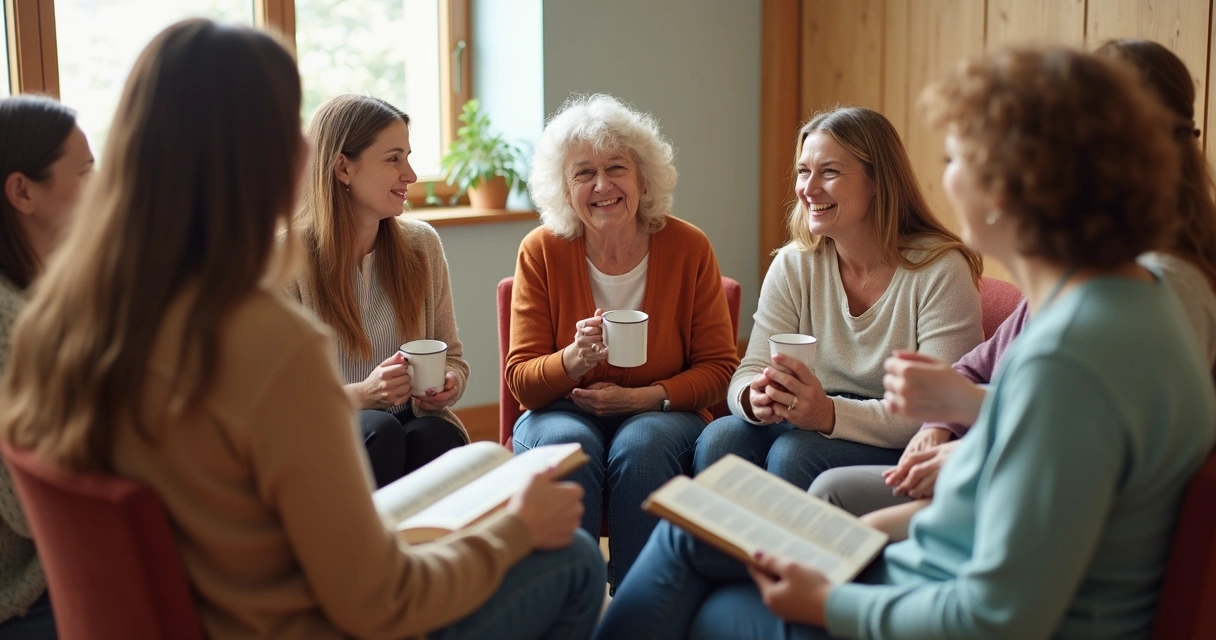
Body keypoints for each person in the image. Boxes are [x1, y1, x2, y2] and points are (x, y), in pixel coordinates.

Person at [0, 20, 604, 640]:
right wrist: (517, 529)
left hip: (215, 601)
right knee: (576, 559)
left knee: (465, 465)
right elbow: (380, 601)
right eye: (289, 122)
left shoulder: (66, 319)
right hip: (303, 620)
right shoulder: (264, 341)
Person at [596, 46, 1216, 640]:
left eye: (954, 158)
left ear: (1006, 186)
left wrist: (831, 602)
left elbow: (998, 617)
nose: (944, 180)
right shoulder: (1137, 298)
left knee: (702, 585)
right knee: (700, 532)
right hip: (919, 566)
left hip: (922, 600)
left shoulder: (1068, 357)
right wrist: (849, 535)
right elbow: (992, 496)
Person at [811, 38, 1216, 524]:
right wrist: (946, 421)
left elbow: (1080, 461)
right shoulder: (1079, 287)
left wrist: (962, 450)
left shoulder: (1135, 300)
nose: (948, 181)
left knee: (806, 492)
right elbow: (998, 387)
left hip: (1001, 504)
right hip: (986, 488)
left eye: (961, 159)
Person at [507, 93, 739, 588]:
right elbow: (522, 383)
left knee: (643, 445)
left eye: (617, 168)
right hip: (560, 410)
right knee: (568, 446)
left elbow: (720, 369)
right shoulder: (541, 251)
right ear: (564, 189)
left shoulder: (688, 246)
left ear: (643, 178)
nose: (602, 185)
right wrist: (571, 360)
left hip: (660, 413)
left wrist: (645, 397)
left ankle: (640, 607)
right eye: (583, 173)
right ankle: (568, 602)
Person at [690, 106, 984, 492]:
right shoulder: (794, 264)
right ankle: (717, 555)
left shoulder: (940, 270)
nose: (808, 189)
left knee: (794, 454)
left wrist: (828, 413)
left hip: (896, 437)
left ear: (878, 181)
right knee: (722, 439)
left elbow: (937, 410)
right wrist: (754, 398)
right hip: (807, 416)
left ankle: (789, 555)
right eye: (803, 171)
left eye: (829, 172)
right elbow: (748, 371)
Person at [288, 94, 467, 488]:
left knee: (437, 435)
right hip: (325, 429)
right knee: (378, 429)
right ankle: (363, 550)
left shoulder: (422, 245)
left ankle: (425, 549)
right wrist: (364, 394)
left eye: (408, 157)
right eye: (393, 159)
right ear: (343, 168)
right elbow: (278, 401)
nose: (411, 174)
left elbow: (451, 356)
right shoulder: (285, 261)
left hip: (408, 420)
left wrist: (448, 383)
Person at [0, 95, 93, 639]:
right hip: (27, 595)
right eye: (84, 172)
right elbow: (31, 501)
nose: (102, 189)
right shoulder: (9, 323)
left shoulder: (42, 297)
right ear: (22, 191)